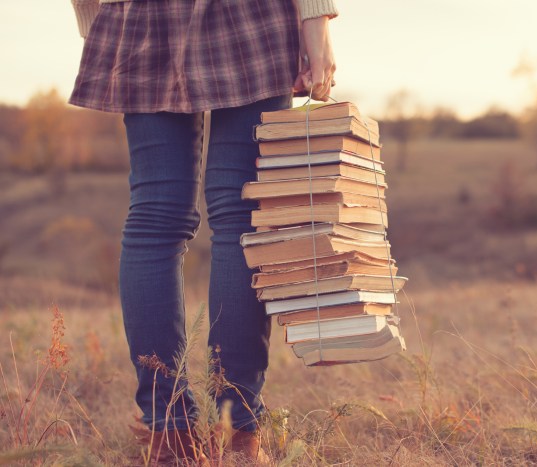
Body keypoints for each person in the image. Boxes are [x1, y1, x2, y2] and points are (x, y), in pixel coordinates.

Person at [69, 0, 338, 462]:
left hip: (140, 15)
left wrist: (97, 19)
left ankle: (167, 432)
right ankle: (238, 432)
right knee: (238, 216)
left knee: (155, 218)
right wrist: (315, 21)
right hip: (249, 14)